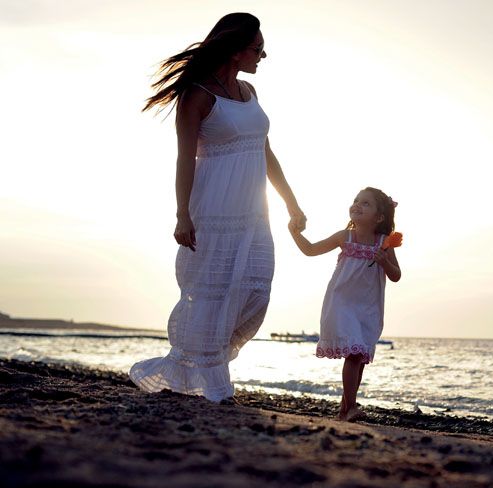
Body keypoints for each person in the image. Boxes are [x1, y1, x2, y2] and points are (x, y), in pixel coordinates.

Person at [130, 13, 306, 402]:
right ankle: (207, 380)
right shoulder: (197, 96)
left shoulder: (249, 94)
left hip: (254, 213)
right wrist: (182, 213)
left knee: (254, 289)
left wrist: (291, 201)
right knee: (211, 291)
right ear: (235, 50)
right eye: (257, 49)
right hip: (213, 210)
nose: (263, 55)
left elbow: (264, 151)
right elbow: (184, 159)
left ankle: (203, 369)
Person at [288, 187, 401, 421]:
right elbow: (310, 250)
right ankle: (351, 407)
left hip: (368, 308)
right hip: (342, 303)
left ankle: (344, 410)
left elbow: (396, 275)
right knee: (353, 353)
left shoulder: (384, 243)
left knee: (359, 358)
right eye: (356, 200)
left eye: (366, 203)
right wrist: (294, 232)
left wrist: (385, 263)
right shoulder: (345, 237)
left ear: (379, 217)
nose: (357, 205)